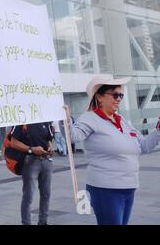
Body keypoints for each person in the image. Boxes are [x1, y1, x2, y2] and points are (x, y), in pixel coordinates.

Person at [64, 75, 160, 225]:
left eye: (121, 95)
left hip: (129, 186)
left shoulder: (121, 119)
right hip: (106, 189)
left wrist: (159, 129)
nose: (119, 98)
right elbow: (72, 136)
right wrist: (65, 118)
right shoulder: (90, 118)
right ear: (99, 97)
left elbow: (144, 146)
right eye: (115, 94)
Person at [9, 122, 54, 225]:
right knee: (28, 196)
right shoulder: (22, 121)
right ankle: (26, 222)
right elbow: (13, 142)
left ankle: (43, 221)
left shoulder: (44, 120)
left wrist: (50, 147)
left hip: (46, 160)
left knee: (46, 194)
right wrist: (31, 149)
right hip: (30, 161)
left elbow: (48, 140)